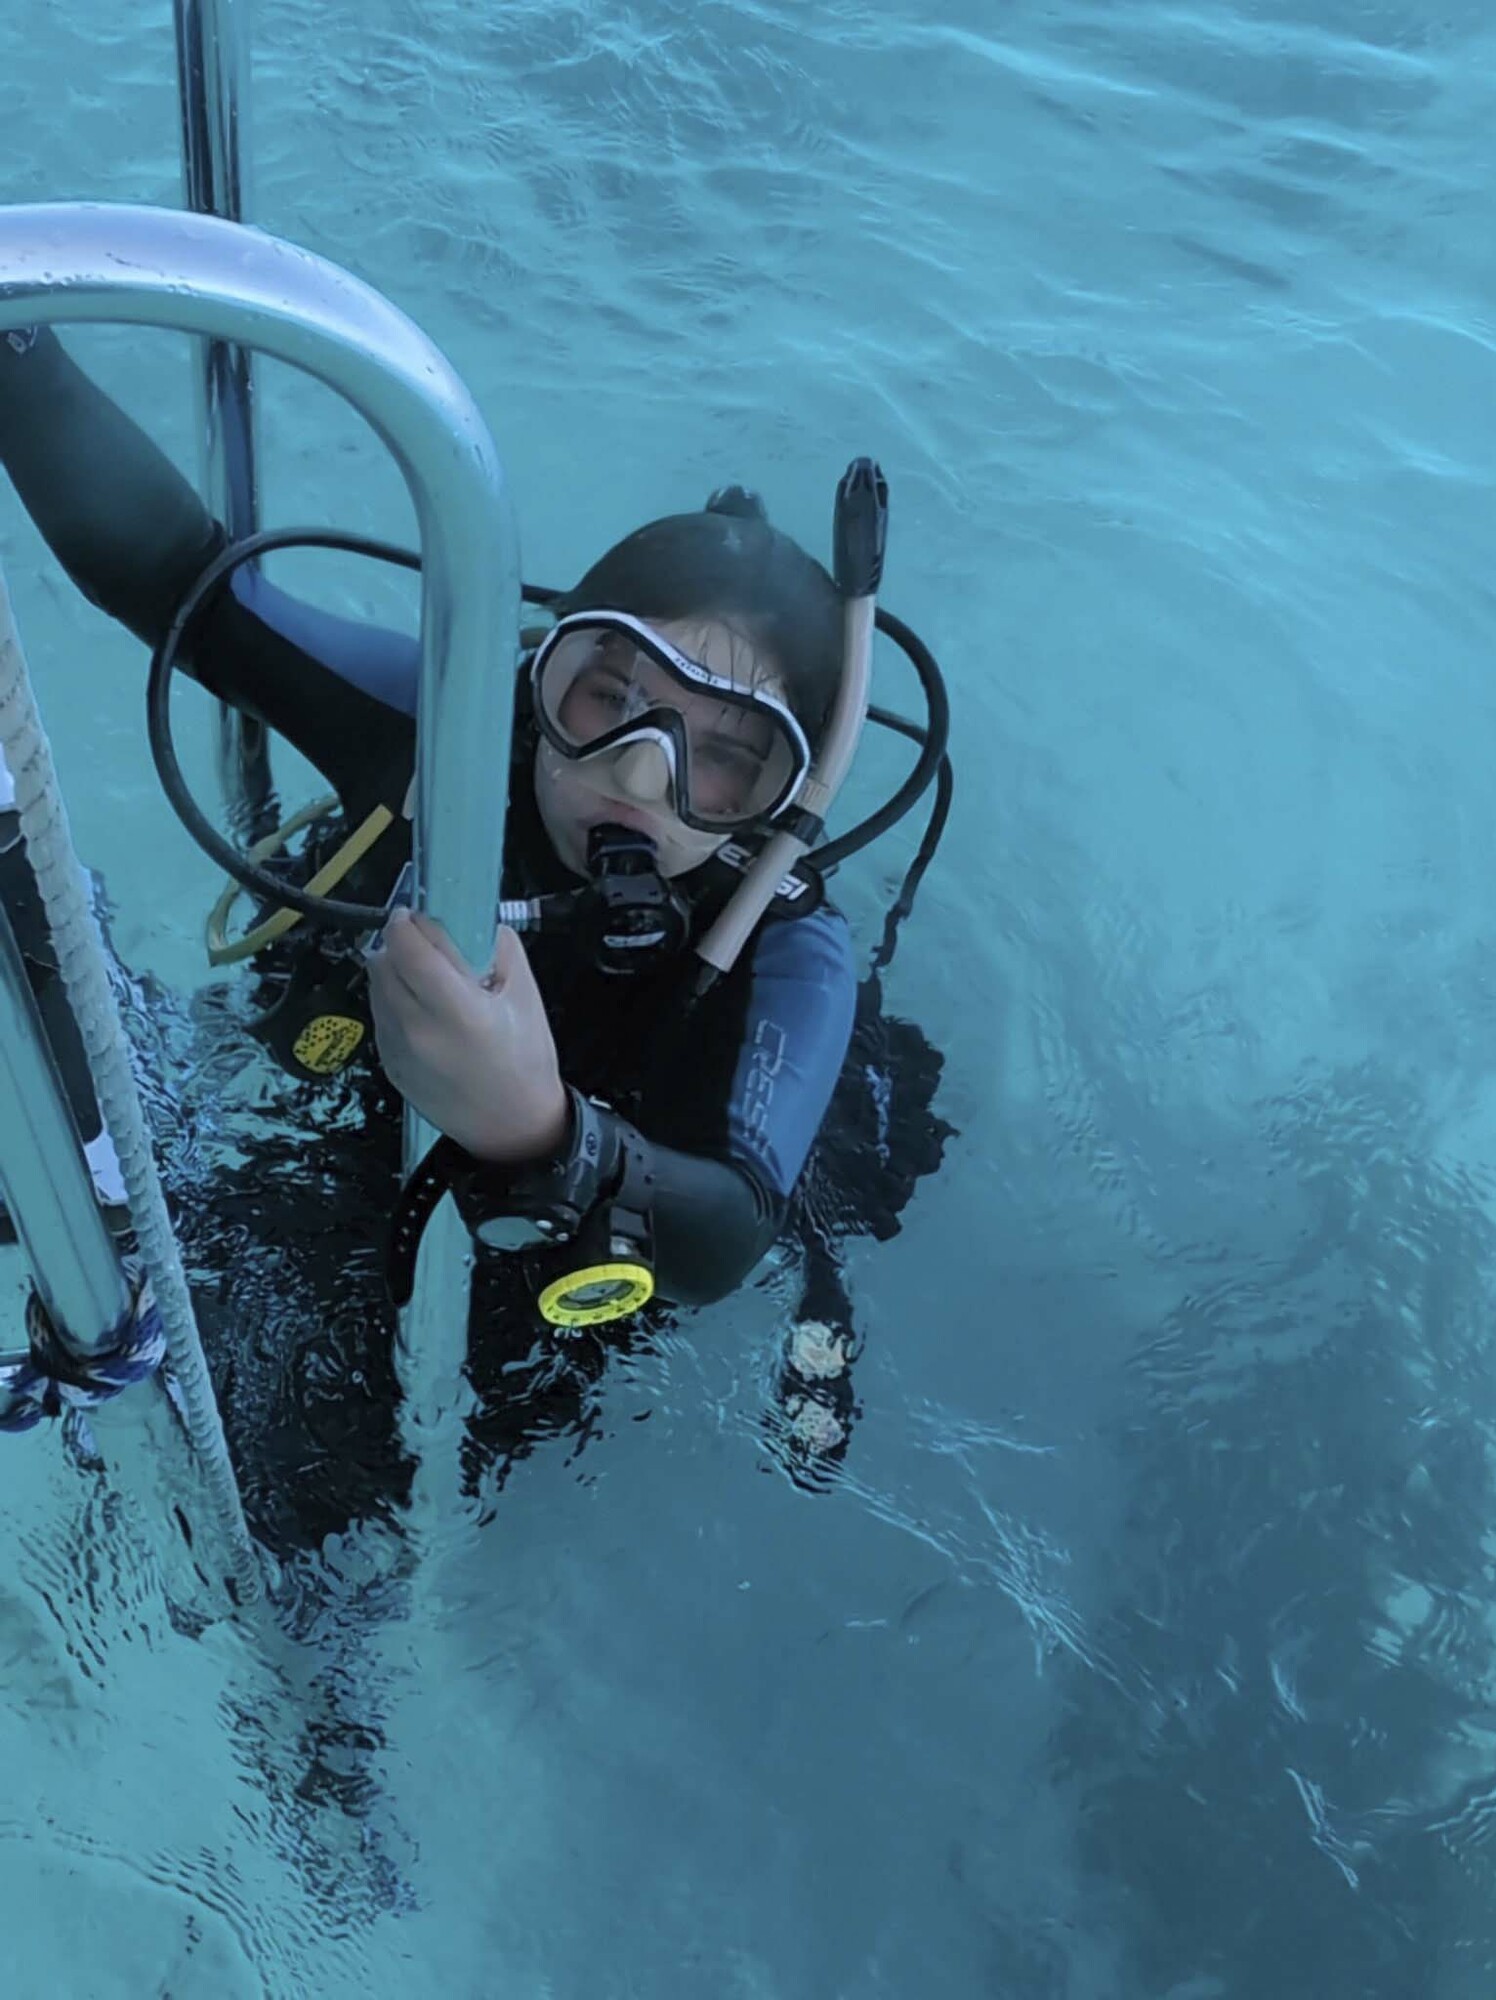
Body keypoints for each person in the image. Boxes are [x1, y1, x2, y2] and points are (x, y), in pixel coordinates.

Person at [0, 324, 953, 1540]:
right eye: (608, 697)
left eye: (725, 759)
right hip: (359, 1096)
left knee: (355, 1474)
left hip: (601, 1186)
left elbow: (728, 1233)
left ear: (783, 804)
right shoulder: (449, 733)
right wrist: (15, 342)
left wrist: (550, 1136)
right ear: (544, 672)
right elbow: (186, 585)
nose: (643, 778)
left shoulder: (781, 940)